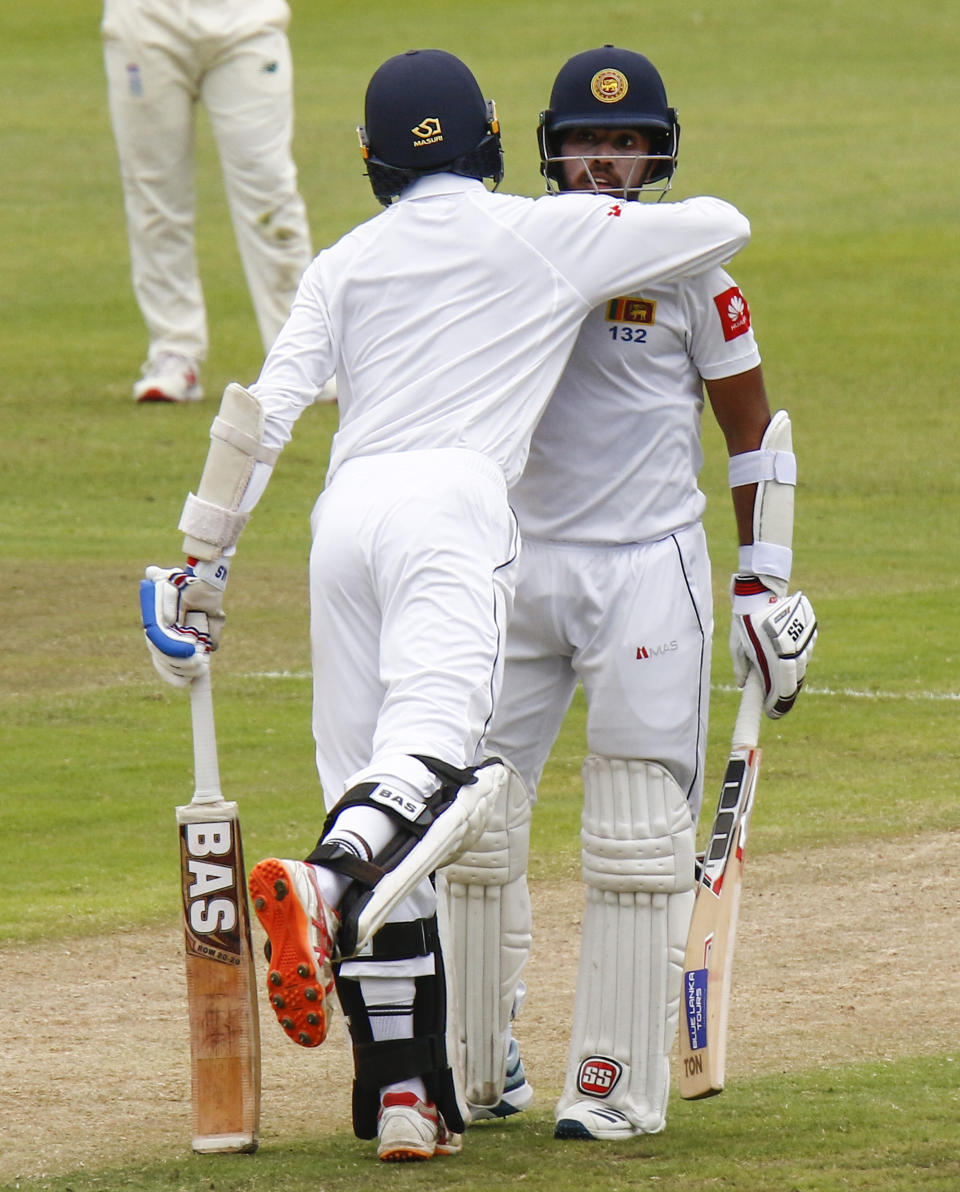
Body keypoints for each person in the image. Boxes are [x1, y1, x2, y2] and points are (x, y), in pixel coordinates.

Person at [138, 48, 753, 1161]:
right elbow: (724, 222)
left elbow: (261, 415)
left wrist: (201, 566)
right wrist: (615, 218)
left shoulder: (343, 262)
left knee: (364, 779)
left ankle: (406, 1097)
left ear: (372, 160)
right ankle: (325, 886)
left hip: (345, 522)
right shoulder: (538, 229)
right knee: (432, 776)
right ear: (492, 139)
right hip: (454, 515)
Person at [442, 45, 817, 1141]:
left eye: (628, 144)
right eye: (587, 144)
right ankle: (472, 1061)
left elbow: (754, 436)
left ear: (656, 153)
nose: (606, 162)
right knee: (473, 821)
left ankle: (611, 1080)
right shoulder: (509, 250)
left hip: (649, 569)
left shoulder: (694, 267)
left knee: (638, 833)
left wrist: (763, 584)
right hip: (520, 565)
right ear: (550, 153)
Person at [102, 0, 316, 403]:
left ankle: (301, 353)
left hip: (246, 19)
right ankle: (173, 351)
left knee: (270, 191)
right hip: (145, 21)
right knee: (155, 195)